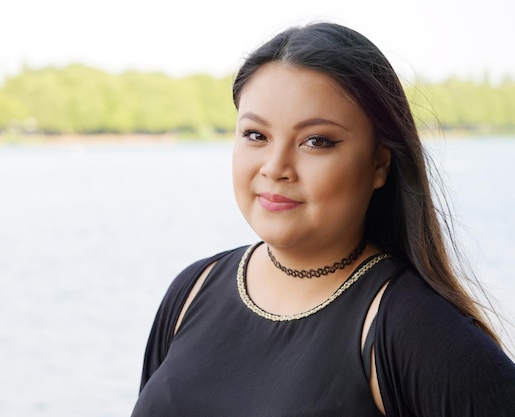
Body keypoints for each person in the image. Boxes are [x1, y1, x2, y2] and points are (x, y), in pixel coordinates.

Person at [130, 22, 515, 416]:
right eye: (255, 135)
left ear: (379, 162)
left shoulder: (413, 329)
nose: (276, 167)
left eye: (316, 141)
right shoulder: (192, 290)